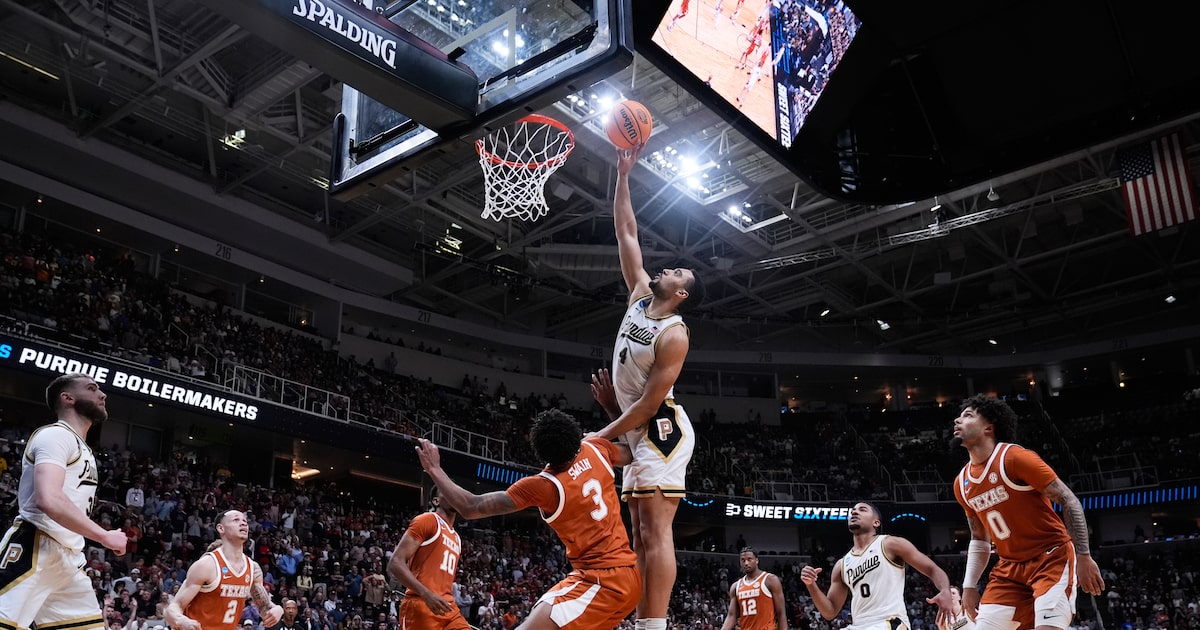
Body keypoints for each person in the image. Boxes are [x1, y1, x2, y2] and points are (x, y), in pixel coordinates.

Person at [592, 143, 705, 630]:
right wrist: (623, 175)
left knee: (656, 533)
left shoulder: (674, 333)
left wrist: (603, 434)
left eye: (678, 272)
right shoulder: (640, 298)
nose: (668, 267)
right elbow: (626, 229)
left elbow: (652, 402)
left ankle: (654, 626)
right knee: (639, 533)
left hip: (661, 428)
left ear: (679, 294)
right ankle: (645, 621)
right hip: (637, 427)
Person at [415, 409, 641, 630]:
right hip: (628, 574)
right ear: (575, 435)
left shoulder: (545, 486)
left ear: (539, 451)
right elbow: (634, 450)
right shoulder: (596, 448)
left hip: (601, 581)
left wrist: (435, 469)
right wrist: (612, 407)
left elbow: (471, 506)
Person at [951, 395, 1105, 630]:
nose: (957, 420)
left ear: (988, 427)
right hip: (1009, 569)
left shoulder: (1015, 458)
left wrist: (1084, 556)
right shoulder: (961, 483)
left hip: (1051, 558)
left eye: (968, 415)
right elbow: (979, 538)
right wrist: (969, 586)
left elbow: (1069, 500)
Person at [0, 373, 129, 630]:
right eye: (92, 389)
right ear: (67, 398)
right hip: (35, 546)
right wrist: (104, 536)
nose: (102, 395)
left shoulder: (82, 448)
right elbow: (49, 498)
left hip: (68, 557)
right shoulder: (55, 436)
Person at [801, 503, 953, 630]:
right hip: (859, 625)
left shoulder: (890, 544)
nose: (854, 511)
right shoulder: (842, 565)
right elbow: (830, 611)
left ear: (876, 523)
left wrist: (945, 590)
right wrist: (811, 585)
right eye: (853, 510)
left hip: (890, 621)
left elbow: (932, 569)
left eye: (862, 509)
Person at [164, 510, 283, 630]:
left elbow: (264, 607)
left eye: (244, 521)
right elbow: (173, 607)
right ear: (221, 528)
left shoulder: (253, 568)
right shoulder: (206, 565)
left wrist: (276, 609)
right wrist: (181, 620)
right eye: (236, 520)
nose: (243, 523)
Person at [386, 488, 470, 630]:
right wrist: (427, 594)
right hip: (421, 603)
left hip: (447, 607)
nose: (454, 494)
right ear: (436, 501)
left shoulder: (456, 538)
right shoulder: (428, 520)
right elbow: (395, 563)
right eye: (448, 491)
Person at [721, 547, 787, 630]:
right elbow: (731, 616)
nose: (746, 563)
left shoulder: (770, 580)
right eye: (743, 560)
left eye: (749, 559)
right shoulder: (736, 586)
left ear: (756, 560)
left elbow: (781, 613)